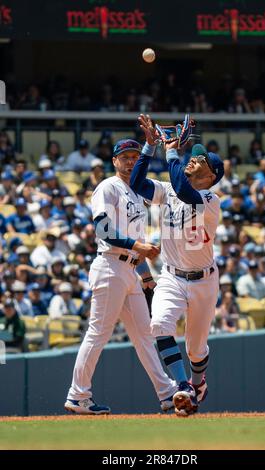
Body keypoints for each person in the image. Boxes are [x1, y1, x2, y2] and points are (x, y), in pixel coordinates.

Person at [65, 136, 177, 415]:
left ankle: (166, 394)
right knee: (98, 333)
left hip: (130, 270)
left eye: (134, 156)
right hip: (110, 267)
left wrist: (146, 275)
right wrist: (137, 247)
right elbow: (102, 230)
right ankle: (78, 395)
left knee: (144, 335)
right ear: (114, 161)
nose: (130, 160)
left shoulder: (139, 194)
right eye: (124, 156)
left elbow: (135, 243)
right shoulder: (108, 186)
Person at [130, 114, 224, 417]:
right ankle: (183, 386)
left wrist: (170, 151)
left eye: (201, 161)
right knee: (158, 325)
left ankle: (198, 382)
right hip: (171, 275)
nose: (194, 160)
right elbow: (137, 183)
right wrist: (149, 147)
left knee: (196, 348)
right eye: (194, 158)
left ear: (211, 176)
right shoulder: (169, 188)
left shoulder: (210, 198)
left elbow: (184, 191)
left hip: (204, 281)